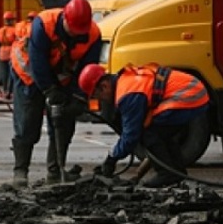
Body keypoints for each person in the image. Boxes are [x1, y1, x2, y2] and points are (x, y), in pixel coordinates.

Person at [9, 0, 101, 188]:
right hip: (29, 74)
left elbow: (86, 69)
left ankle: (55, 170)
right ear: (65, 19)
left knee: (64, 121)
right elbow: (38, 61)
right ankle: (20, 171)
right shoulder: (44, 24)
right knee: (28, 121)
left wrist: (78, 95)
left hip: (62, 75)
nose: (76, 34)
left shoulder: (92, 34)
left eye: (79, 31)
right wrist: (50, 90)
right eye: (73, 29)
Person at [78, 63, 210, 188]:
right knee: (161, 132)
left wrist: (111, 158)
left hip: (190, 96)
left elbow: (131, 136)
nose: (101, 100)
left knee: (148, 133)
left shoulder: (127, 94)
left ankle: (167, 174)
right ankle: (176, 171)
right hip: (195, 92)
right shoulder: (125, 80)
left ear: (104, 86)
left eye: (98, 96)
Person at [0, 11, 17, 95]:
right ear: (11, 20)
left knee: (4, 73)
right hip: (11, 52)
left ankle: (4, 89)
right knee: (11, 73)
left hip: (2, 53)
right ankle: (10, 90)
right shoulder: (14, 30)